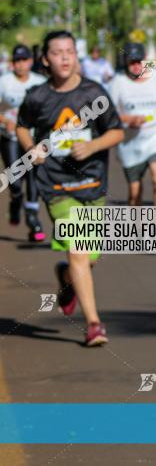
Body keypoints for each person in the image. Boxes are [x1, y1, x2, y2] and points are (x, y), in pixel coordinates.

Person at [16, 30, 123, 347]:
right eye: (57, 52)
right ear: (46, 60)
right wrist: (31, 148)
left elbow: (115, 132)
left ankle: (66, 278)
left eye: (70, 51)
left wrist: (93, 147)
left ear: (76, 57)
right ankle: (94, 324)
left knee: (87, 259)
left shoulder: (94, 93)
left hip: (92, 183)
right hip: (56, 185)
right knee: (78, 252)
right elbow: (22, 126)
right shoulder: (37, 97)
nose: (64, 57)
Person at [107, 42, 156, 206]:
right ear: (125, 62)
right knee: (134, 194)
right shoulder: (118, 81)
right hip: (130, 142)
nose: (137, 66)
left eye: (139, 61)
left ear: (145, 60)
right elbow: (110, 113)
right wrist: (129, 120)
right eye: (132, 62)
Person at [0, 44, 47, 241]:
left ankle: (33, 220)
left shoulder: (40, 82)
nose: (21, 64)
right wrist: (6, 121)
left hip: (33, 138)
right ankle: (15, 201)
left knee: (33, 179)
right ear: (12, 63)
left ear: (30, 61)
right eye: (17, 61)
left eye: (24, 60)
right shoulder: (4, 82)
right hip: (9, 137)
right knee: (16, 181)